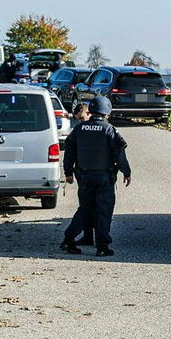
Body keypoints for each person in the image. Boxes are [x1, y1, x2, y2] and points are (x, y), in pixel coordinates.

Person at [60, 95, 131, 257]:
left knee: (84, 210)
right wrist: (126, 172)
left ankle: (68, 239)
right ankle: (102, 246)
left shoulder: (79, 129)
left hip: (84, 177)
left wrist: (68, 172)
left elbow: (69, 152)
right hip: (104, 178)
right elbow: (120, 155)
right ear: (106, 112)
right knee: (103, 211)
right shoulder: (109, 129)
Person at [68, 103, 95, 246]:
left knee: (95, 207)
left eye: (82, 118)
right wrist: (68, 173)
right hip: (83, 174)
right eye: (78, 119)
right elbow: (69, 152)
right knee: (86, 206)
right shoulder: (79, 130)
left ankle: (98, 238)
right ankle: (88, 236)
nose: (81, 121)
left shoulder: (101, 127)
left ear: (89, 113)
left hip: (97, 174)